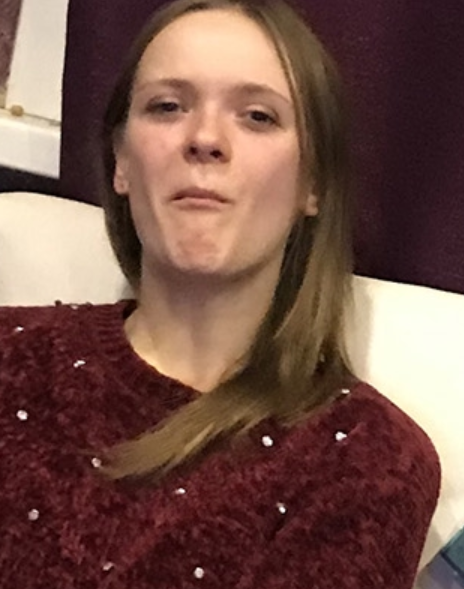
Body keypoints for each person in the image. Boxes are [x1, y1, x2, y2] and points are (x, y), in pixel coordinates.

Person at [0, 0, 440, 587]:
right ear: (121, 162)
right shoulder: (11, 350)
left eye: (257, 116)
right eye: (167, 106)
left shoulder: (369, 460)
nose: (205, 138)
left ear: (312, 182)